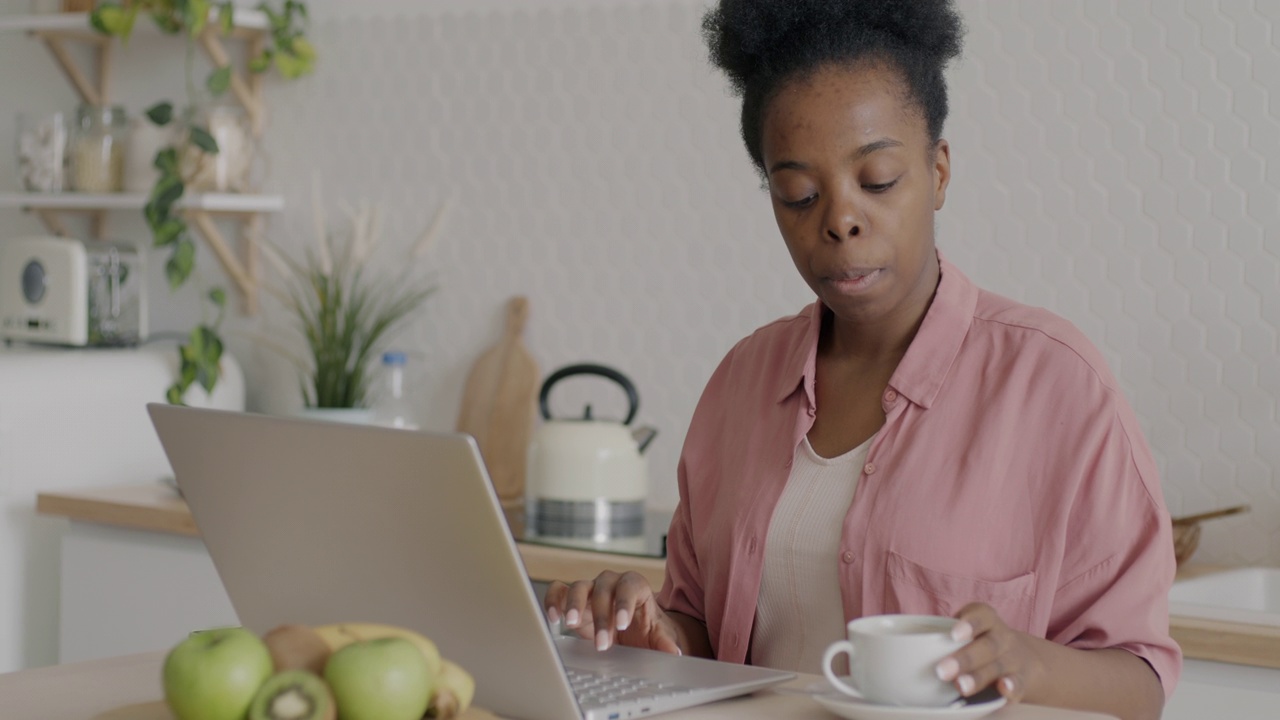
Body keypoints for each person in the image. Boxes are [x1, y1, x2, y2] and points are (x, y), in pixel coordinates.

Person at [543, 1, 1180, 718]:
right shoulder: (741, 383)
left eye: (877, 180)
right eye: (798, 195)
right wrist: (650, 629)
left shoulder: (1057, 385)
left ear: (938, 173)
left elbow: (1141, 680)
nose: (840, 220)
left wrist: (1028, 664)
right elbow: (701, 625)